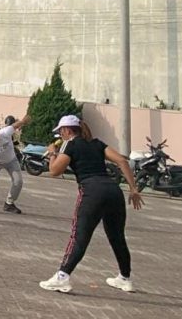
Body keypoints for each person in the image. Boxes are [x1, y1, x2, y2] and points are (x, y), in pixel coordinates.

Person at [39, 115, 143, 294]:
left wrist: (52, 153)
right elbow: (122, 161)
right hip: (113, 191)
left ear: (67, 130)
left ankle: (62, 277)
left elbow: (54, 171)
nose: (60, 135)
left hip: (92, 192)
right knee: (117, 237)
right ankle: (125, 279)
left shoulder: (70, 144)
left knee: (79, 237)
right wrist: (133, 189)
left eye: (60, 132)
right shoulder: (97, 143)